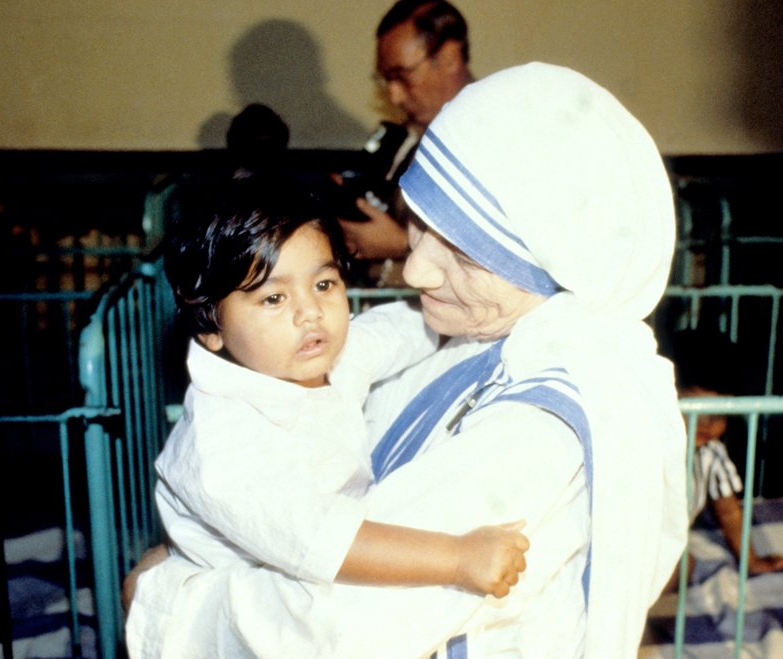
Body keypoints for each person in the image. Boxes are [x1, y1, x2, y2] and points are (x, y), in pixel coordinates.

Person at [124, 62, 688, 657]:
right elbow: (394, 335)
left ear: (552, 260)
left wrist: (167, 601)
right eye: (416, 224)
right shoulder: (489, 328)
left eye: (464, 254)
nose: (414, 270)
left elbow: (332, 626)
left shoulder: (542, 424)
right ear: (210, 328)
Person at [131, 183, 529, 654]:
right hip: (234, 617)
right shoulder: (225, 450)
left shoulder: (324, 355)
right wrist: (457, 557)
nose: (311, 313)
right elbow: (331, 544)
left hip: (300, 548)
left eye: (323, 285)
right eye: (273, 299)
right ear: (211, 327)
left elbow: (403, 330)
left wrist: (481, 311)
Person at [337, 0, 475, 271]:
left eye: (402, 76)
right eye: (385, 80)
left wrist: (402, 245)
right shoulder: (402, 137)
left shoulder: (499, 131)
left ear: (449, 56)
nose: (394, 96)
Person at [663, 329, 783, 576]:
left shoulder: (712, 455)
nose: (707, 424)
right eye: (696, 411)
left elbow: (729, 512)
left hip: (663, 548)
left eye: (719, 415)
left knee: (684, 568)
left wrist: (751, 561)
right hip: (627, 538)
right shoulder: (648, 446)